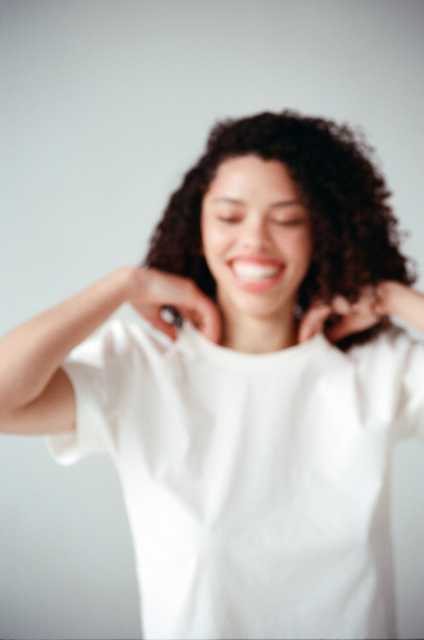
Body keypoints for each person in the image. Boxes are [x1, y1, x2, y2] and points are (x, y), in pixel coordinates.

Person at [0, 110, 423, 640]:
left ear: (323, 232)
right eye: (229, 217)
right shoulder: (139, 367)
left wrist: (395, 298)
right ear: (197, 228)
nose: (256, 240)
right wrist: (122, 285)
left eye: (288, 219)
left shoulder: (380, 367)